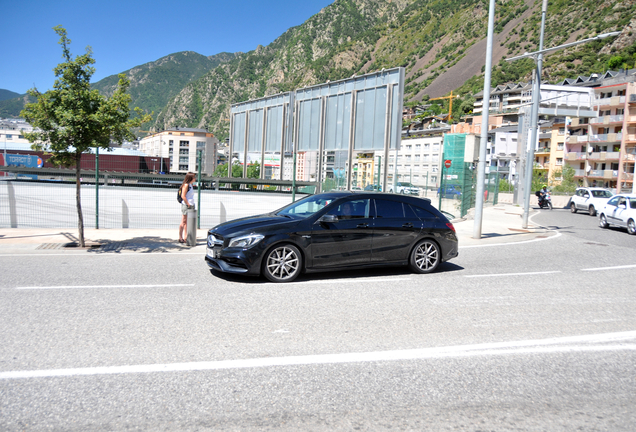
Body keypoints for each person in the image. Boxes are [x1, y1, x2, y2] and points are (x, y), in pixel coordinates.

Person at [178, 172, 196, 243]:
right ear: (190, 178)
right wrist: (188, 204)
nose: (195, 178)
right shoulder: (186, 185)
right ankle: (180, 237)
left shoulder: (190, 185)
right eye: (194, 177)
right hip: (186, 205)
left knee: (188, 222)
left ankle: (186, 237)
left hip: (190, 205)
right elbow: (183, 196)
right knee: (183, 221)